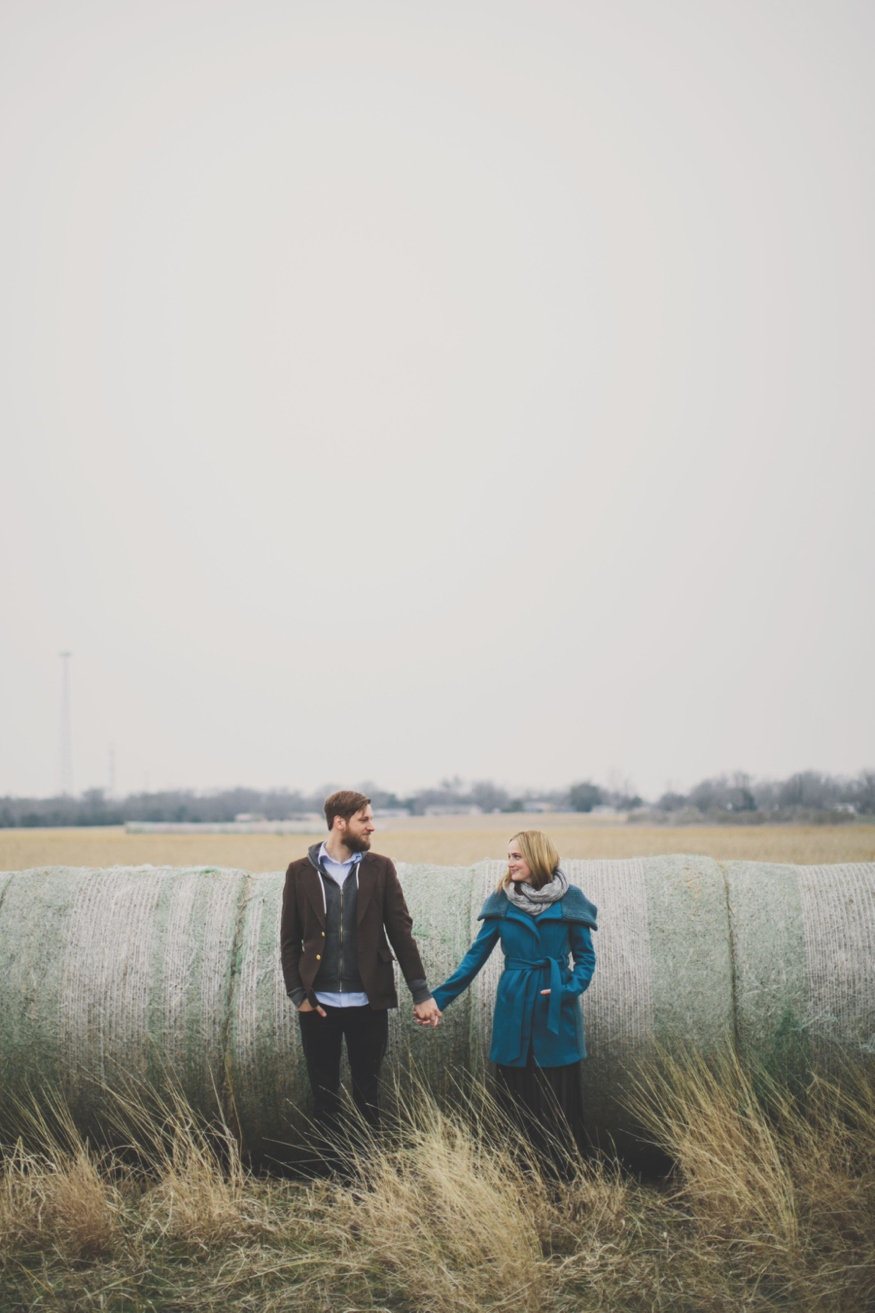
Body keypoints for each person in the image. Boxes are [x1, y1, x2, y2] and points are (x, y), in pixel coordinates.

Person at [281, 790, 440, 1171]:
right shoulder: (299, 872)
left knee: (368, 1092)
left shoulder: (379, 868)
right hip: (318, 1005)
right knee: (323, 1095)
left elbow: (401, 933)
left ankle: (368, 1176)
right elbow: (289, 940)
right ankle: (331, 1174)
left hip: (369, 1004)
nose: (372, 826)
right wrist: (298, 995)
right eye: (364, 819)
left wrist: (421, 993)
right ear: (340, 823)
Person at [431, 830, 597, 1173]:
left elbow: (585, 958)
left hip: (556, 1005)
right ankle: (519, 1172)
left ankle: (564, 1173)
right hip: (514, 1003)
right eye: (508, 857)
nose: (510, 863)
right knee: (515, 1090)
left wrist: (569, 990)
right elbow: (474, 957)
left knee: (557, 1092)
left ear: (537, 857)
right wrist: (437, 1000)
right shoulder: (502, 901)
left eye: (516, 856)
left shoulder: (571, 899)